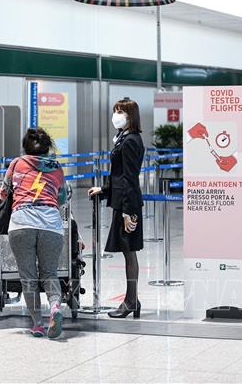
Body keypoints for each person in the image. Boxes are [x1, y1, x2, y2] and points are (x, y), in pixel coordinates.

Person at [0, 128, 67, 338]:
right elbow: (62, 198)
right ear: (47, 147)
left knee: (28, 277)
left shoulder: (17, 163)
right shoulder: (56, 167)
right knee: (49, 273)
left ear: (26, 147)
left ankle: (37, 324)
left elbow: (3, 193)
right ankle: (55, 306)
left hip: (22, 223)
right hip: (50, 224)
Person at [88, 98, 145, 318]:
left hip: (127, 205)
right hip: (123, 202)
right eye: (115, 111)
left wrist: (127, 212)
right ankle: (132, 301)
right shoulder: (124, 137)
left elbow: (129, 178)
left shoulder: (131, 140)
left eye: (121, 111)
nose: (117, 115)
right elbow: (119, 175)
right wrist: (103, 189)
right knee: (127, 252)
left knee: (129, 253)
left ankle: (131, 301)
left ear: (131, 116)